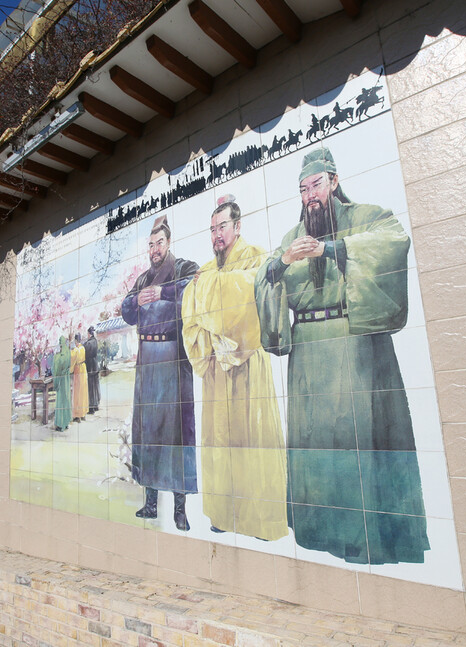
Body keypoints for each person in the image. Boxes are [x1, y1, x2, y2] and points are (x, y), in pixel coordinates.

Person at [254, 146, 428, 565]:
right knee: (317, 450)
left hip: (354, 348)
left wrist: (330, 251)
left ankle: (364, 542)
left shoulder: (367, 217)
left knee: (357, 443)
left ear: (333, 181)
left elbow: (390, 241)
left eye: (316, 184)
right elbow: (263, 278)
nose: (309, 195)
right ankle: (319, 533)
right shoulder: (291, 238)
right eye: (302, 189)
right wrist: (282, 262)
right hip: (309, 359)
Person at [182, 196, 288, 540]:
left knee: (252, 439)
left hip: (246, 366)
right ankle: (223, 514)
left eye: (222, 227)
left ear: (237, 226)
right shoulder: (206, 270)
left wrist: (209, 293)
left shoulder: (256, 257)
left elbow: (254, 295)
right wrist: (212, 339)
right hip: (216, 369)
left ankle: (259, 520)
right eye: (212, 229)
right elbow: (190, 316)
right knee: (220, 444)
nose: (216, 235)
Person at [121, 214, 198, 531]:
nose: (154, 249)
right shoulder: (141, 280)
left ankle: (180, 509)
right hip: (147, 365)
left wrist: (163, 293)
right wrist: (136, 298)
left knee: (178, 434)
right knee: (148, 433)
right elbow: (126, 311)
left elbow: (196, 288)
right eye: (150, 245)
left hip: (173, 356)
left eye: (159, 243)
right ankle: (150, 503)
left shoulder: (183, 268)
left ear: (169, 243)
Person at [52, 336, 72, 431]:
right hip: (67, 380)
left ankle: (60, 424)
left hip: (61, 381)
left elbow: (56, 372)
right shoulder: (68, 353)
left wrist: (55, 384)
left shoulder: (58, 357)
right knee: (67, 399)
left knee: (61, 401)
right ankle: (67, 422)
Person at [70, 333, 89, 421]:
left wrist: (70, 370)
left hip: (78, 369)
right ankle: (84, 413)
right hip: (83, 368)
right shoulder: (83, 348)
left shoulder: (75, 350)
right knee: (83, 391)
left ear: (76, 341)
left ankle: (78, 415)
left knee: (77, 392)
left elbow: (72, 361)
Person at [84, 327, 101, 414]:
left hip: (90, 367)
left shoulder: (88, 343)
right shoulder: (95, 342)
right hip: (95, 366)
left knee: (90, 387)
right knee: (96, 385)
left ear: (89, 334)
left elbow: (85, 355)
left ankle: (91, 407)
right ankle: (96, 405)